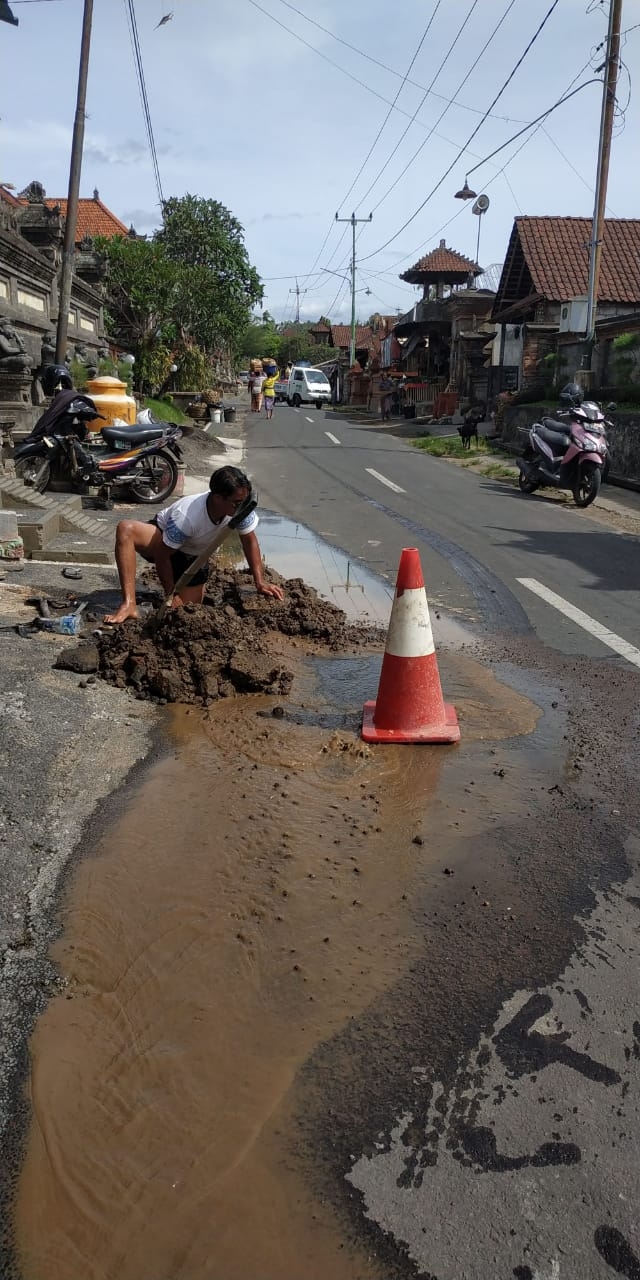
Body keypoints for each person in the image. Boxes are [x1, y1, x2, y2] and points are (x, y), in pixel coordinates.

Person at [104, 465, 284, 624]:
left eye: (243, 501)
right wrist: (170, 595)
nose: (241, 506)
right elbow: (162, 554)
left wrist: (260, 582)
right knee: (126, 529)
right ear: (218, 497)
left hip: (193, 556)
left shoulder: (240, 508)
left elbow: (249, 540)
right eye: (236, 502)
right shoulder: (188, 516)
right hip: (162, 541)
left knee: (187, 613)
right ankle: (129, 604)